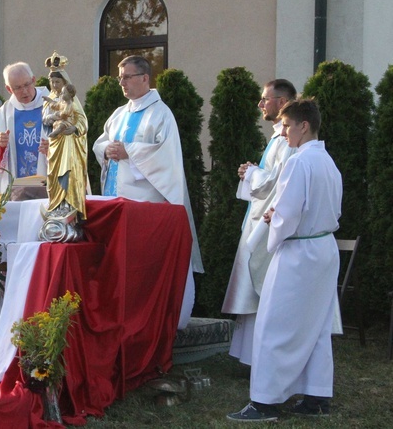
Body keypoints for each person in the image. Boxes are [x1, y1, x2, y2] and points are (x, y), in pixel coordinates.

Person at [228, 98, 342, 422]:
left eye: (288, 126)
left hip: (298, 253)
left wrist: (272, 226)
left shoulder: (299, 162)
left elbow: (286, 212)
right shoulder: (327, 162)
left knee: (274, 324)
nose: (285, 133)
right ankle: (317, 397)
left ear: (304, 126)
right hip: (323, 250)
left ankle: (263, 402)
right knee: (316, 325)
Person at [92, 55, 202, 329]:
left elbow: (166, 158)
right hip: (114, 201)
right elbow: (101, 142)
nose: (123, 83)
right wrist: (105, 150)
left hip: (144, 206)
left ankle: (143, 319)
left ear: (144, 78)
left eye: (127, 77)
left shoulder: (160, 114)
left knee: (139, 267)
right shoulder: (119, 113)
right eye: (120, 78)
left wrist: (130, 152)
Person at [222, 79, 297, 364]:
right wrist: (251, 172)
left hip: (268, 223)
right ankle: (248, 355)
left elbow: (277, 181)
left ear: (282, 101)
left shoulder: (287, 141)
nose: (260, 104)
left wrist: (252, 173)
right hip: (258, 218)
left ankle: (260, 357)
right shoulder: (278, 137)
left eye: (265, 99)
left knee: (260, 287)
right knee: (251, 288)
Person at [0, 62, 51, 195]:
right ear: (9, 89)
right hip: (15, 190)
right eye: (17, 88)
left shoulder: (53, 107)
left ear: (34, 80)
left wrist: (53, 150)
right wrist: (0, 147)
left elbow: (71, 144)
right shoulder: (5, 113)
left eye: (26, 84)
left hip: (49, 186)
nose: (24, 91)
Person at [41, 53, 87, 222]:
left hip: (68, 141)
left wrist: (75, 128)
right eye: (52, 82)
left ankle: (67, 205)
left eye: (57, 82)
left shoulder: (70, 98)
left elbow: (82, 119)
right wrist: (51, 117)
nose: (54, 85)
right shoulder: (51, 99)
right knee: (53, 173)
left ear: (64, 82)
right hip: (55, 142)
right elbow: (45, 118)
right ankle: (55, 204)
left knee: (66, 171)